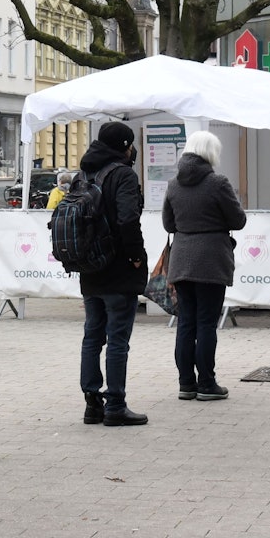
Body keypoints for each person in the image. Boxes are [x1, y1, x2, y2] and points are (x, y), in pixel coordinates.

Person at [162, 130, 247, 401]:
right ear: (211, 152)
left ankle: (186, 384)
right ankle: (207, 384)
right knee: (207, 324)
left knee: (186, 323)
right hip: (211, 260)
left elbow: (168, 224)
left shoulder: (173, 184)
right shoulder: (218, 183)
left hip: (182, 258)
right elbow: (238, 220)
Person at [77, 122, 149, 427]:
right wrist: (135, 256)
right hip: (118, 267)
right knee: (118, 337)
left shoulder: (84, 174)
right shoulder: (123, 174)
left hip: (89, 267)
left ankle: (92, 404)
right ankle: (116, 404)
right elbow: (128, 219)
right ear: (124, 146)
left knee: (93, 334)